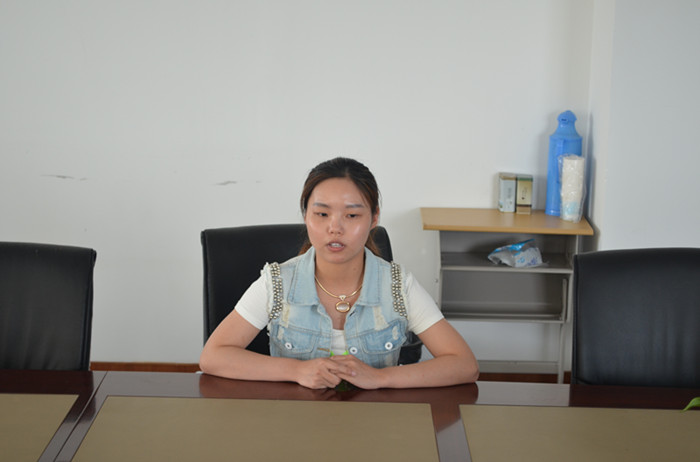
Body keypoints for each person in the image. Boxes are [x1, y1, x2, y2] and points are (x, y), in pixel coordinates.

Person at [199, 157, 479, 389]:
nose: (335, 228)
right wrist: (297, 370)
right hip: (293, 422)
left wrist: (381, 377)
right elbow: (213, 356)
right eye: (322, 214)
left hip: (376, 424)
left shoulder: (397, 285)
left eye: (352, 215)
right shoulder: (277, 282)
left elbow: (464, 364)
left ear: (374, 218)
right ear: (306, 216)